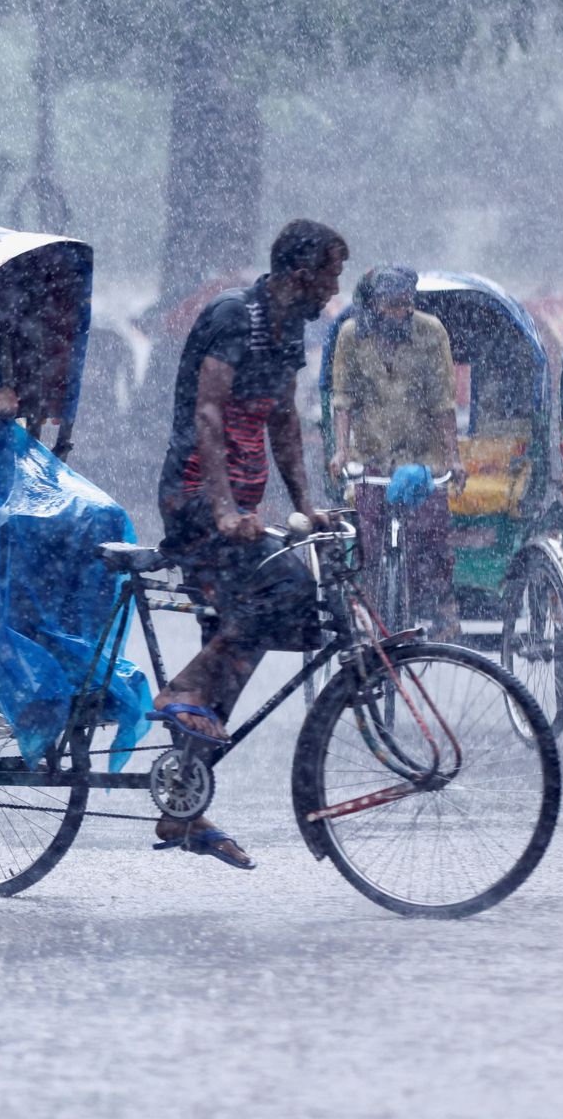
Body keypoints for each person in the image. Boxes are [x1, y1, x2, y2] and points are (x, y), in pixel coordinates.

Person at [151, 219, 348, 869]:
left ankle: (182, 805)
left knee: (239, 641)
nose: (334, 288)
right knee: (287, 587)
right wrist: (221, 506)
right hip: (194, 500)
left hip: (239, 508)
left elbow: (284, 418)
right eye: (330, 274)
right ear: (300, 274)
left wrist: (305, 505)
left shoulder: (289, 328)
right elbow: (208, 413)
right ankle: (180, 689)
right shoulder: (236, 317)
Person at [328, 265, 464, 637]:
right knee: (370, 547)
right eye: (391, 305)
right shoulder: (351, 336)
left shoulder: (430, 332)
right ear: (373, 305)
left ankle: (443, 608)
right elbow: (343, 399)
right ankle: (374, 616)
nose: (399, 312)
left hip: (423, 457)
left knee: (433, 540)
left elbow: (443, 402)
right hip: (373, 455)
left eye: (405, 303)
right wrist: (341, 451)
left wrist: (453, 457)